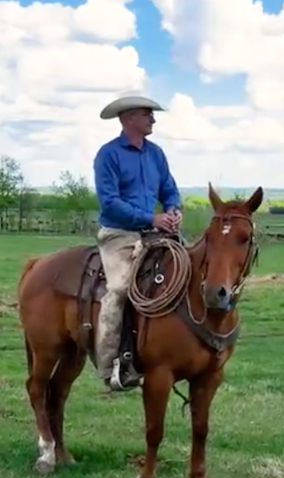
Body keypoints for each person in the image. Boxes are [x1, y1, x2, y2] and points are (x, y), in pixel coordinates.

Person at [93, 95, 183, 391]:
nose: (153, 119)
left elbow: (169, 189)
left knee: (188, 274)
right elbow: (110, 203)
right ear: (129, 118)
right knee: (119, 289)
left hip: (156, 233)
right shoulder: (108, 155)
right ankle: (110, 369)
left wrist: (173, 211)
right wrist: (150, 218)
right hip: (119, 234)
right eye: (148, 114)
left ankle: (174, 351)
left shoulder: (156, 154)